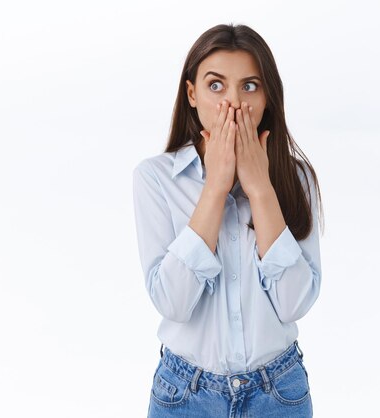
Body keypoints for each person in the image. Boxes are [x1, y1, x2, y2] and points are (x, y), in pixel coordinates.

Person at [132, 23, 323, 418]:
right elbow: (172, 302)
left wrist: (260, 189)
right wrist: (216, 187)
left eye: (249, 86)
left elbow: (293, 304)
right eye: (216, 86)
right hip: (184, 394)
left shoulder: (296, 179)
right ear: (192, 94)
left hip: (279, 392)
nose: (233, 103)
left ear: (268, 95)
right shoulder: (155, 178)